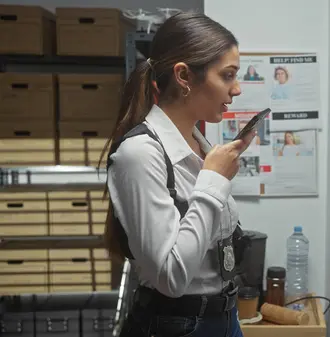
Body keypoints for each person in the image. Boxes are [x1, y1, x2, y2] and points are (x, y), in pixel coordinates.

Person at [101, 12, 254, 337]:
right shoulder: (140, 154)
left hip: (225, 316)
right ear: (184, 76)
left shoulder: (201, 145)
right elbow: (171, 278)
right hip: (178, 325)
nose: (237, 88)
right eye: (227, 75)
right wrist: (214, 182)